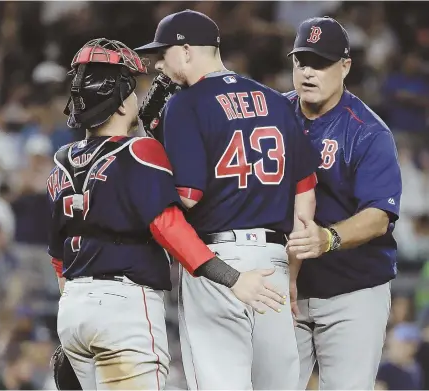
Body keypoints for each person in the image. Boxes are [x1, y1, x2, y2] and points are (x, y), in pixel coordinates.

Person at [47, 38, 286, 390]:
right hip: (123, 308)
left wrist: (80, 313)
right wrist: (233, 278)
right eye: (131, 90)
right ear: (119, 100)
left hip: (73, 311)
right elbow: (169, 227)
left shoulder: (60, 162)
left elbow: (57, 258)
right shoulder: (142, 150)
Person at [135, 10, 321, 390]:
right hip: (273, 261)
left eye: (163, 52)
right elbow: (305, 196)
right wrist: (291, 273)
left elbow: (187, 197)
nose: (158, 63)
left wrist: (151, 176)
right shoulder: (276, 102)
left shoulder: (185, 104)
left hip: (218, 266)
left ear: (186, 51)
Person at [284, 16, 402, 389]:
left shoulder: (367, 131)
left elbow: (379, 216)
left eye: (320, 63)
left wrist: (328, 238)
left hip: (353, 290)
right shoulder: (274, 115)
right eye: (302, 62)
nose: (308, 72)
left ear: (345, 66)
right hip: (286, 287)